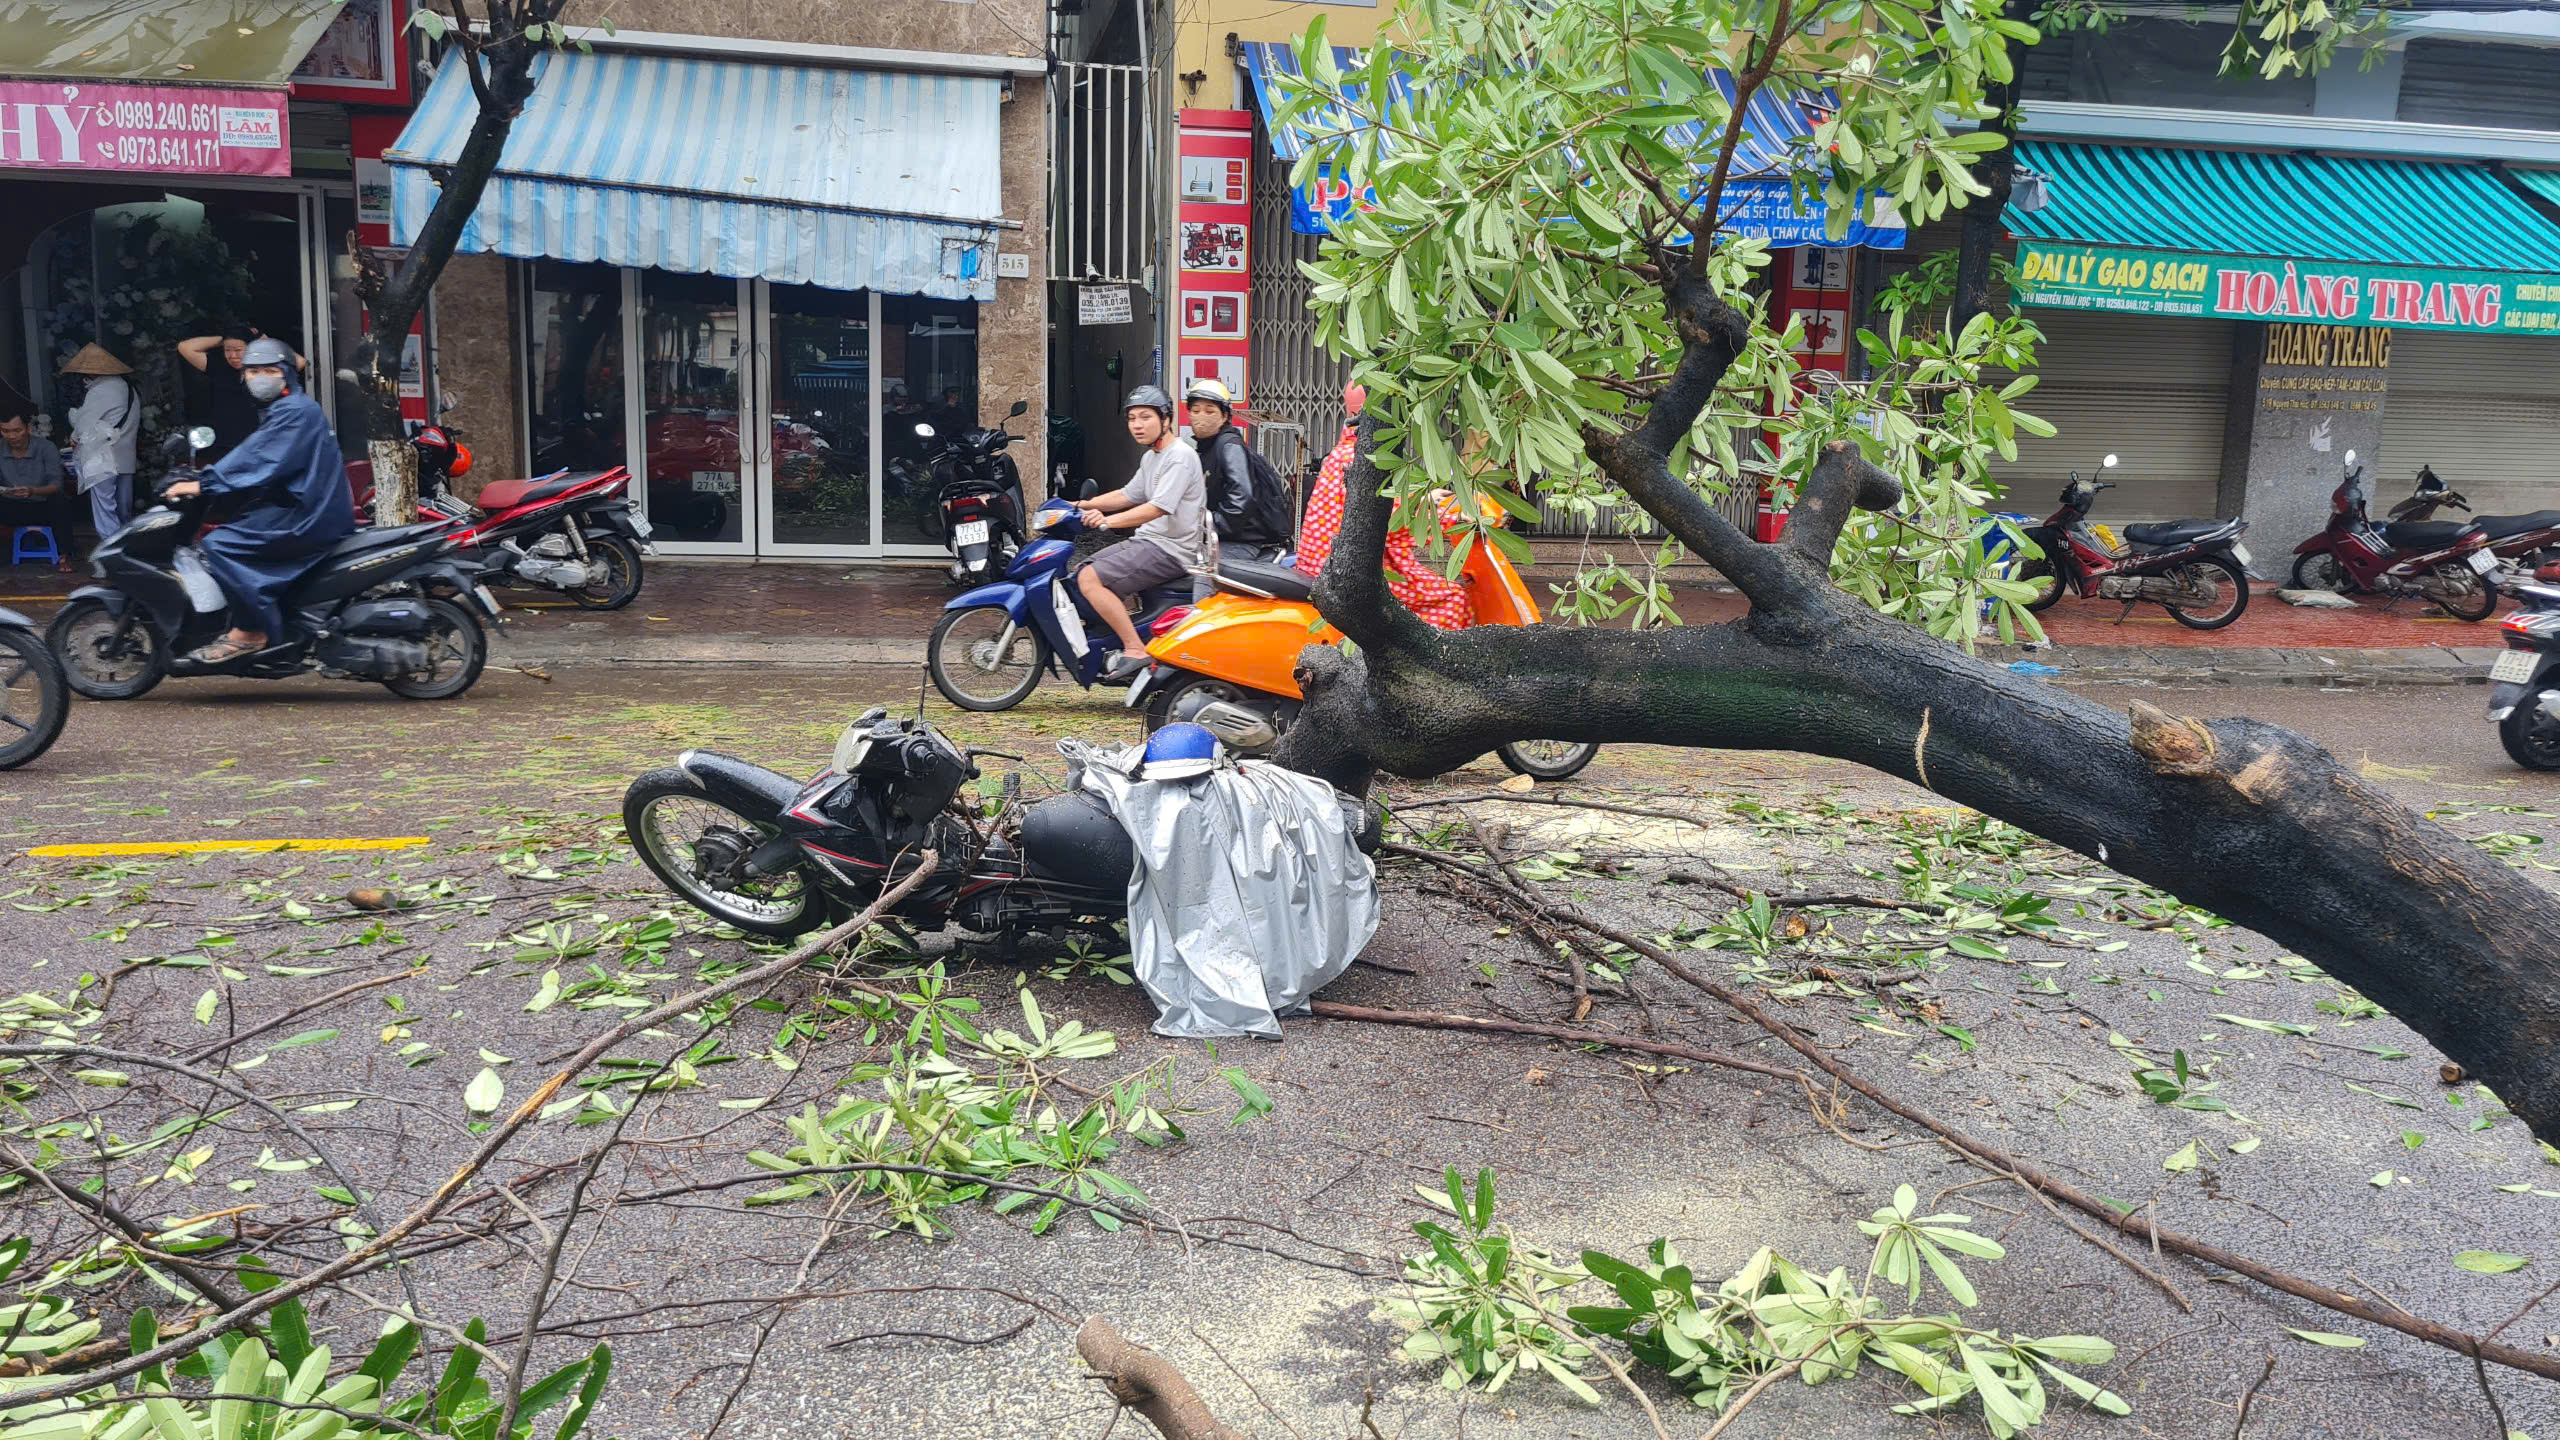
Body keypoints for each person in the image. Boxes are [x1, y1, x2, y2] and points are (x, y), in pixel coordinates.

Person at [159, 338, 356, 664]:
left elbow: (258, 460)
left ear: (286, 375)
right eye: (253, 372)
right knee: (236, 528)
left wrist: (203, 484)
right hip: (302, 505)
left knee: (220, 545)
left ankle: (252, 630)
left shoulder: (294, 411)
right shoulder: (284, 408)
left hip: (307, 513)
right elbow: (258, 459)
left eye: (269, 370)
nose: (260, 377)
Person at [1295, 382, 1475, 630]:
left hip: (1335, 565)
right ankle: (1431, 666)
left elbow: (1384, 501)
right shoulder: (1361, 459)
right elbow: (1385, 515)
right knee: (1452, 598)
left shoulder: (1346, 453)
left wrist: (1423, 498)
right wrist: (1446, 516)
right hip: (1352, 572)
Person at [1076, 385, 1209, 682]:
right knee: (1080, 570)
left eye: (1145, 417)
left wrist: (1107, 522)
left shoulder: (1180, 456)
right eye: (1132, 418)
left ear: (1166, 419)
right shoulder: (1152, 457)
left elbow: (1157, 508)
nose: (1137, 425)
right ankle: (1110, 641)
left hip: (1172, 549)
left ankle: (1135, 649)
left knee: (1090, 578)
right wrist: (1080, 504)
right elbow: (1128, 494)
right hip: (1149, 541)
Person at [1183, 378, 1292, 564]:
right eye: (1195, 411)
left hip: (1242, 542)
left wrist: (1210, 526)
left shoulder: (1229, 446)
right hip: (1222, 539)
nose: (1201, 417)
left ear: (1224, 416)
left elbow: (1241, 497)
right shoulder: (1204, 449)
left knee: (1203, 576)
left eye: (1210, 411)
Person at [61, 343, 138, 550]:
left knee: (105, 510)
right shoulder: (127, 387)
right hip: (125, 456)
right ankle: (129, 552)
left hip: (103, 458)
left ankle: (112, 557)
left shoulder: (102, 389)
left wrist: (74, 433)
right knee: (123, 509)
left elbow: (83, 423)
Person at [0, 409, 75, 573]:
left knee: (60, 500)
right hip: (10, 506)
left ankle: (64, 555)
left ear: (28, 428)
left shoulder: (46, 448)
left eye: (16, 430)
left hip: (42, 506)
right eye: (5, 431)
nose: (11, 436)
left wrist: (33, 491)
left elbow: (56, 484)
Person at [177, 332, 261, 460]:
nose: (233, 355)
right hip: (222, 445)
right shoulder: (220, 367)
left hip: (254, 445)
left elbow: (300, 363)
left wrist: (261, 340)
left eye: (238, 350)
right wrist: (226, 339)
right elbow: (184, 347)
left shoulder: (265, 370)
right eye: (228, 350)